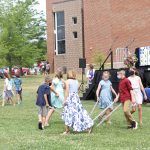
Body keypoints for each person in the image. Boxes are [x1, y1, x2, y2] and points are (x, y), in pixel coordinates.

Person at [62, 70, 94, 135]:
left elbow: (67, 91)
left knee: (68, 113)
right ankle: (88, 127)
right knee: (79, 113)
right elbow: (78, 90)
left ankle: (67, 131)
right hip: (76, 98)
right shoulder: (76, 81)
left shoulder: (67, 81)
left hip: (70, 98)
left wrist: (65, 100)